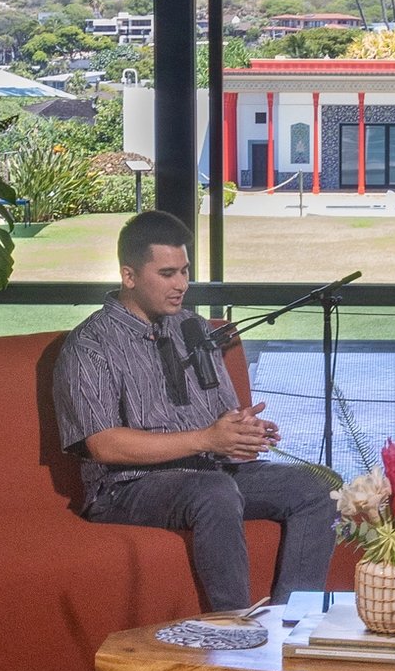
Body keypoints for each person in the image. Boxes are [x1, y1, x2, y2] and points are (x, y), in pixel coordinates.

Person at [53, 211, 337, 613]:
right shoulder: (90, 345)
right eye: (167, 274)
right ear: (129, 275)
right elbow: (103, 445)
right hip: (126, 489)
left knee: (316, 488)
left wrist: (240, 432)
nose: (181, 285)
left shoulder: (194, 328)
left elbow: (219, 418)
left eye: (185, 272)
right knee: (214, 492)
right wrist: (207, 439)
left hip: (207, 470)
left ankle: (292, 624)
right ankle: (235, 633)